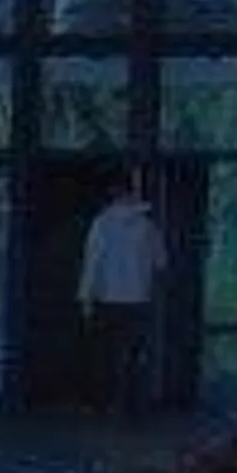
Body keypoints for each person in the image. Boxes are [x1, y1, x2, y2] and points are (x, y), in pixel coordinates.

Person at [77, 175, 167, 419]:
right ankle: (129, 404)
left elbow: (92, 263)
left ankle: (101, 403)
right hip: (138, 299)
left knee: (104, 353)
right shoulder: (147, 226)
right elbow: (161, 262)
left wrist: (86, 298)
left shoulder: (101, 224)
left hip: (106, 298)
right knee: (133, 353)